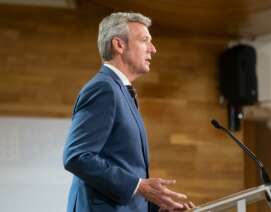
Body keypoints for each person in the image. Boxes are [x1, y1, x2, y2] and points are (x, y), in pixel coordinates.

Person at [63, 12, 194, 212]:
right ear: (119, 45)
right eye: (145, 41)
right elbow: (78, 156)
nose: (153, 49)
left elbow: (123, 168)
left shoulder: (121, 91)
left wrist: (157, 208)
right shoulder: (103, 89)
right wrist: (139, 186)